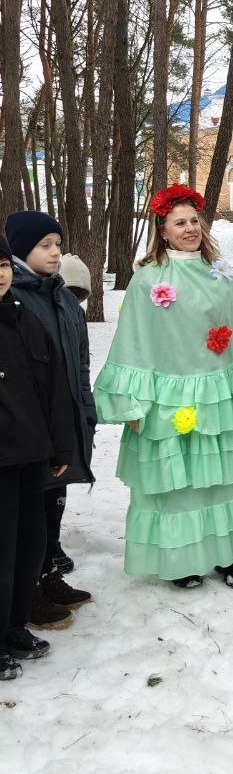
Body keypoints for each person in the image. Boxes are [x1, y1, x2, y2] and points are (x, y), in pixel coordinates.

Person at [93, 184, 233, 588]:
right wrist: (133, 403)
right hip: (165, 399)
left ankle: (226, 555)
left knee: (220, 480)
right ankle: (183, 561)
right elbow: (134, 339)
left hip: (213, 396)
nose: (190, 228)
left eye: (194, 221)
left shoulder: (219, 274)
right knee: (176, 484)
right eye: (179, 223)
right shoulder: (148, 279)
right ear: (162, 231)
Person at [4, 211, 96, 628]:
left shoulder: (63, 297)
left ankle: (47, 575)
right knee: (32, 511)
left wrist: (86, 411)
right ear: (21, 250)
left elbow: (81, 362)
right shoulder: (14, 298)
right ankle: (29, 590)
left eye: (58, 244)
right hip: (31, 427)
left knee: (55, 502)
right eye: (45, 245)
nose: (56, 252)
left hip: (65, 419)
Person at [0, 237, 75, 681]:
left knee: (26, 546)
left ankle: (12, 625)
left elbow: (54, 386)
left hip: (29, 455)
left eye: (3, 264)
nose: (1, 274)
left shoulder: (23, 318)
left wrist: (60, 445)